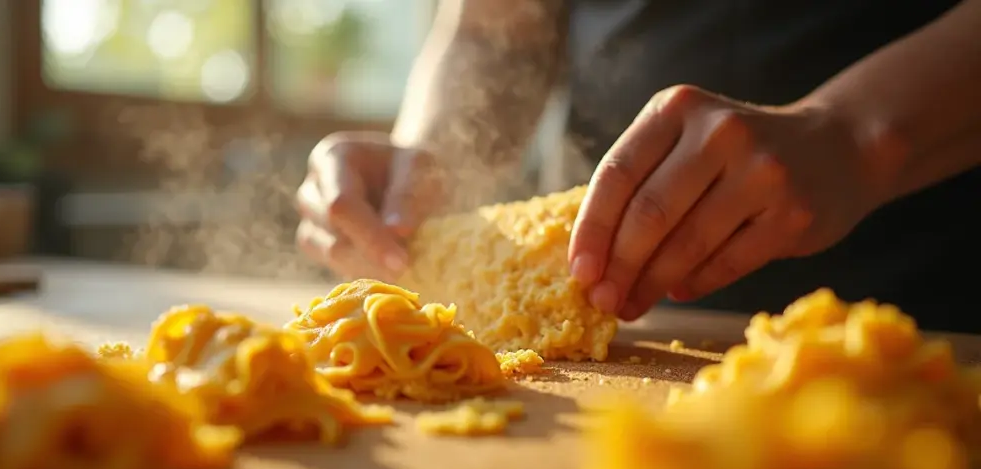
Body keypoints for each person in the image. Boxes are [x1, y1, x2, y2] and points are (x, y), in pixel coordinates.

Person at [295, 0, 981, 334]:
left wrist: (855, 135)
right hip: (603, 310)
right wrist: (426, 161)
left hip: (922, 320)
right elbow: (496, 30)